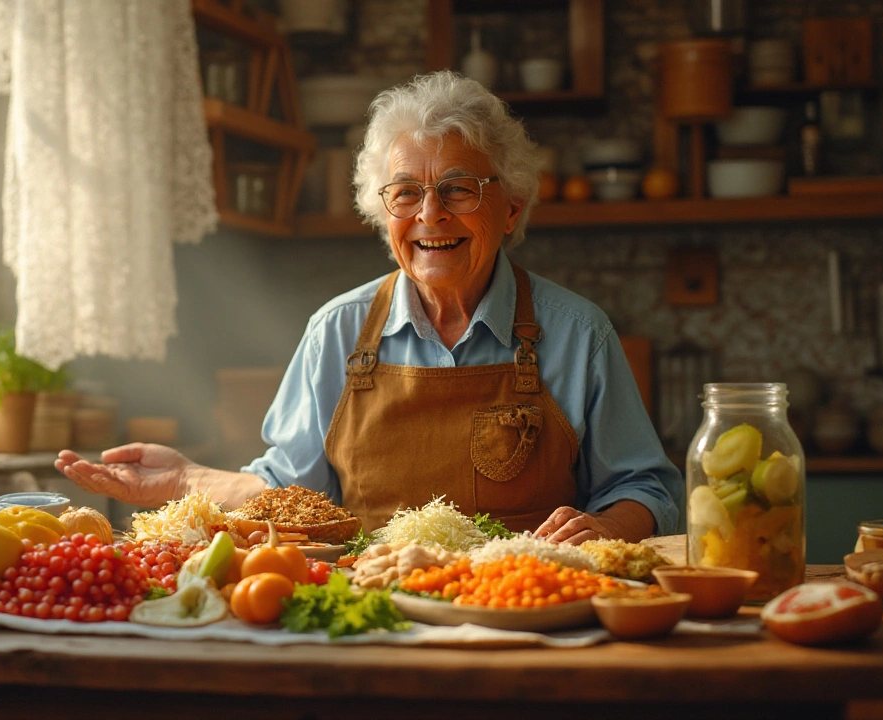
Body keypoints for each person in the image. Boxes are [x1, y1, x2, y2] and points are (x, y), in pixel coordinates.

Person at [57, 71, 683, 544]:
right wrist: (186, 480)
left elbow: (648, 490)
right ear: (384, 215)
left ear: (512, 205)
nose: (430, 215)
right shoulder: (338, 331)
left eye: (459, 189)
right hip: (372, 615)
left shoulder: (578, 334)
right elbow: (287, 493)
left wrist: (606, 528)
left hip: (521, 614)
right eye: (405, 192)